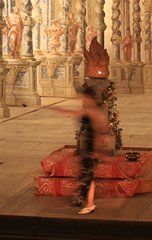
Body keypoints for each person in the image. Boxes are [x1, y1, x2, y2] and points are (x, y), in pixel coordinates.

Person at [48, 85, 109, 214]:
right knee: (88, 176)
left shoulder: (94, 112)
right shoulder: (89, 110)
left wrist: (97, 150)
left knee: (87, 176)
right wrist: (55, 109)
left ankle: (86, 202)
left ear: (90, 98)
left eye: (84, 98)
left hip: (91, 148)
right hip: (87, 147)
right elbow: (73, 113)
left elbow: (100, 130)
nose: (83, 101)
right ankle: (90, 203)